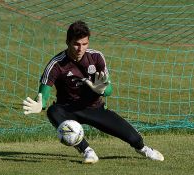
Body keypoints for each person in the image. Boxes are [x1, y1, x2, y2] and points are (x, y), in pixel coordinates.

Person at [23, 20, 164, 164]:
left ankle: (144, 149)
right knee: (53, 111)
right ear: (67, 42)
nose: (80, 49)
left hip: (95, 108)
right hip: (68, 110)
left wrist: (102, 89)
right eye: (76, 44)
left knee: (134, 138)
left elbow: (109, 90)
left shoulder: (96, 57)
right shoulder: (56, 64)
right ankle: (87, 151)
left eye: (84, 44)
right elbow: (43, 94)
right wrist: (41, 104)